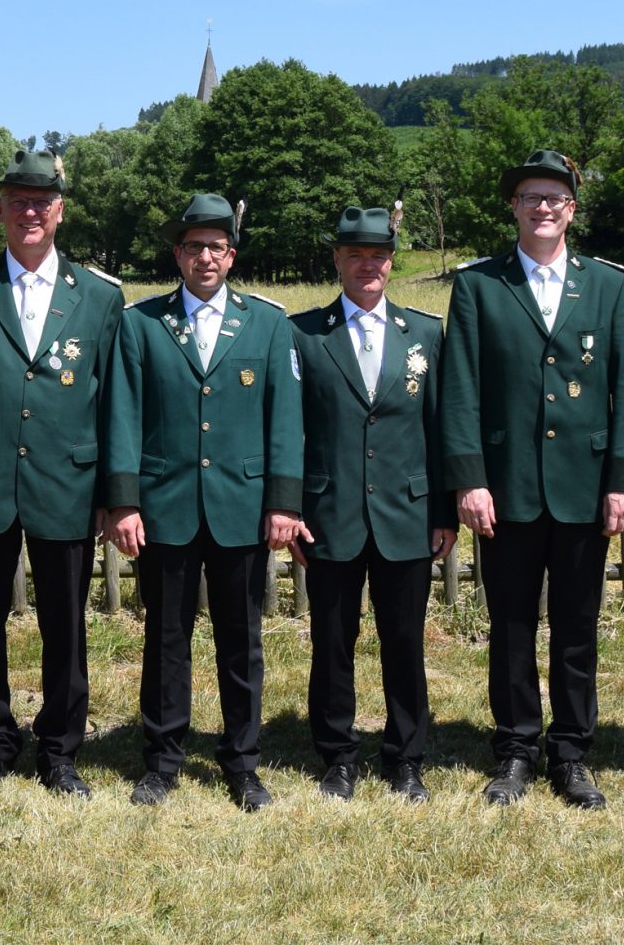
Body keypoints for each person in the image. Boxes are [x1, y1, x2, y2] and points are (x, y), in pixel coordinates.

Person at [439, 149, 624, 809]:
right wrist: (469, 479)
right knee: (510, 625)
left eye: (554, 198)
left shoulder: (610, 286)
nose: (542, 208)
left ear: (572, 210)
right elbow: (460, 389)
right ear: (514, 207)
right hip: (507, 489)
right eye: (530, 197)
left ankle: (573, 752)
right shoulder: (479, 285)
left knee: (578, 625)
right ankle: (516, 748)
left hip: (585, 487)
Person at [105, 194, 305, 812]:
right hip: (164, 506)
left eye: (216, 247)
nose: (205, 258)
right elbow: (123, 416)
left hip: (240, 506)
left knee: (241, 639)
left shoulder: (268, 324)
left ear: (232, 255)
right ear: (178, 255)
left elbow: (285, 419)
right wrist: (124, 502)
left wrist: (283, 502)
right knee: (165, 638)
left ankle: (242, 762)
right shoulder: (142, 323)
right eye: (194, 247)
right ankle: (163, 759)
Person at [0, 149, 124, 798]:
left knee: (65, 624)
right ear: (0, 209)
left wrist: (115, 493)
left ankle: (59, 749)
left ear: (60, 211)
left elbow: (114, 403)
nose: (29, 213)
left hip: (67, 482)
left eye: (41, 202)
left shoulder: (100, 297)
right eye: (18, 201)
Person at [285, 204, 451, 804]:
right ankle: (338, 756)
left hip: (407, 515)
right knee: (332, 643)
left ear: (391, 262)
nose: (367, 265)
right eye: (355, 254)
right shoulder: (304, 334)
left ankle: (406, 758)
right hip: (330, 515)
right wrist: (291, 507)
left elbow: (441, 427)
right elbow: (289, 429)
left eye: (378, 255)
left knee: (405, 643)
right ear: (337, 259)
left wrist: (443, 512)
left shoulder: (425, 334)